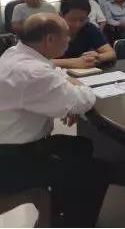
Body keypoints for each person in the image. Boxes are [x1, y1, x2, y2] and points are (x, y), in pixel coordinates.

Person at [0, 13, 108, 227]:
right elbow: (83, 100)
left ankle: (57, 210)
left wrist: (64, 94)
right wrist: (76, 87)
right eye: (66, 35)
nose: (69, 40)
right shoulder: (33, 72)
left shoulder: (15, 53)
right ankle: (68, 222)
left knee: (81, 146)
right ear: (49, 39)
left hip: (13, 147)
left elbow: (56, 72)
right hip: (12, 159)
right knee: (95, 173)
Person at [53, 0, 117, 69]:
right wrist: (75, 62)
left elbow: (111, 53)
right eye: (72, 20)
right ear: (61, 15)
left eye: (82, 20)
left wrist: (97, 57)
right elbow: (42, 61)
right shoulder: (50, 30)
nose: (77, 25)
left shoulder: (89, 27)